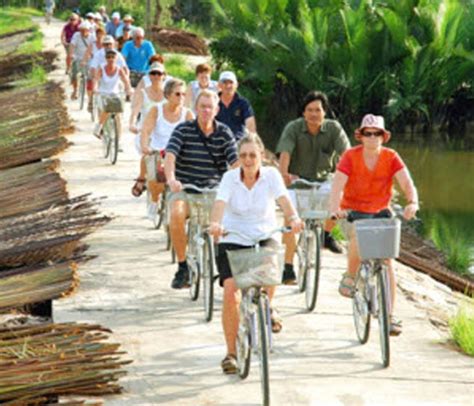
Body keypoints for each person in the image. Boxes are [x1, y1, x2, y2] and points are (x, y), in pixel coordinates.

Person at [208, 133, 304, 374]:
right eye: (243, 156)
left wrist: (293, 217)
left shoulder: (271, 175)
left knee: (272, 270)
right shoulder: (230, 178)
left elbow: (284, 200)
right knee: (231, 291)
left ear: (262, 156)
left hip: (264, 232)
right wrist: (215, 224)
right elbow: (219, 205)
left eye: (252, 155)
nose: (248, 160)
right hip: (234, 236)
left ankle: (267, 306)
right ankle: (231, 353)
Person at [328, 114, 419, 336]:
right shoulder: (350, 156)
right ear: (361, 136)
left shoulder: (391, 157)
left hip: (380, 213)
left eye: (376, 133)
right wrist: (334, 208)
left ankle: (390, 315)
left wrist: (412, 202)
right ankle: (350, 275)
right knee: (358, 237)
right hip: (353, 213)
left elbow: (407, 182)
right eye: (367, 133)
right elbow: (337, 186)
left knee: (387, 261)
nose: (371, 137)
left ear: (383, 136)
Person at [164, 90, 239, 289]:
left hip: (214, 190)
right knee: (176, 214)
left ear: (216, 110)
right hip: (186, 188)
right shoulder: (182, 130)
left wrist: (238, 184)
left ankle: (222, 263)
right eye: (202, 106)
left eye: (210, 107)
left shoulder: (224, 132)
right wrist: (171, 179)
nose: (206, 110)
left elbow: (235, 163)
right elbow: (170, 156)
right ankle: (182, 267)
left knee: (228, 222)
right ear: (196, 108)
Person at [276, 90, 351, 284]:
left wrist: (347, 177)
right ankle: (288, 266)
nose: (314, 114)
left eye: (318, 110)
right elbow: (285, 153)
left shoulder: (334, 128)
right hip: (297, 181)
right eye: (309, 110)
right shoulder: (293, 128)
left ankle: (326, 234)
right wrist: (284, 176)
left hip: (324, 180)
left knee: (341, 198)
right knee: (291, 220)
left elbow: (347, 156)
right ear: (303, 112)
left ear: (325, 112)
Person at [138, 79, 194, 219]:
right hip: (159, 151)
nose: (181, 98)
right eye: (177, 94)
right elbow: (146, 131)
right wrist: (145, 146)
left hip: (179, 154)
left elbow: (194, 136)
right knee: (156, 179)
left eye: (183, 94)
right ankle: (154, 200)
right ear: (168, 95)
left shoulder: (187, 114)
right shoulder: (156, 110)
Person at [129, 61, 168, 199]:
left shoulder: (169, 94)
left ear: (164, 76)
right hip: (147, 129)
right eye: (153, 73)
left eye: (159, 73)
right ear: (149, 76)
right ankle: (141, 178)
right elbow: (136, 109)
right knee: (148, 153)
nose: (156, 76)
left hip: (164, 130)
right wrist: (132, 123)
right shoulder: (143, 92)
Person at [93, 49, 132, 138]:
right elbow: (96, 79)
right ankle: (99, 127)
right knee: (106, 109)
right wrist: (95, 88)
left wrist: (129, 89)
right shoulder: (101, 68)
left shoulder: (119, 69)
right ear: (106, 59)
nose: (110, 59)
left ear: (116, 58)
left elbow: (126, 80)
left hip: (115, 94)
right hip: (103, 94)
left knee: (118, 116)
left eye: (112, 57)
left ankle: (118, 139)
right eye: (108, 57)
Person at [215, 71, 256, 140]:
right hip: (217, 141)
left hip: (237, 141)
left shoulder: (243, 103)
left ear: (236, 85)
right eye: (225, 82)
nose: (228, 86)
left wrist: (252, 139)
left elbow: (250, 123)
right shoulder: (213, 102)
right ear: (219, 85)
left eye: (231, 82)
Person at [68, 22, 93, 100]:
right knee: (75, 73)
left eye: (86, 30)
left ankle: (90, 93)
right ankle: (75, 90)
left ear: (89, 30)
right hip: (78, 57)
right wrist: (71, 54)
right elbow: (72, 45)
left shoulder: (93, 37)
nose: (84, 32)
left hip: (89, 59)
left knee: (91, 76)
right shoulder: (76, 35)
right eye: (82, 30)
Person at [86, 27, 106, 112]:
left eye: (101, 34)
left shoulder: (106, 45)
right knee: (90, 81)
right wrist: (84, 60)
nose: (99, 36)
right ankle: (90, 100)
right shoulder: (92, 44)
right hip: (93, 66)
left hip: (103, 68)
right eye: (98, 34)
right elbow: (87, 53)